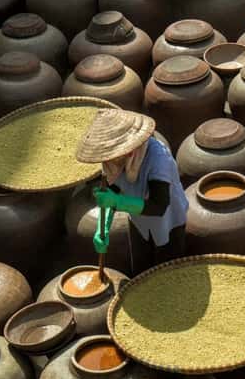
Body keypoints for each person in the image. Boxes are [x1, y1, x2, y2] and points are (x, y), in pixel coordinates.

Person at [76, 108, 188, 275]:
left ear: (128, 151)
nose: (109, 161)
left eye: (112, 156)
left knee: (167, 270)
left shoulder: (159, 160)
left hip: (168, 221)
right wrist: (103, 228)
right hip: (138, 220)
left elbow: (159, 206)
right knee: (141, 268)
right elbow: (111, 190)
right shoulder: (112, 159)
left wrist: (118, 202)